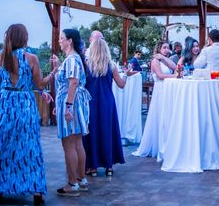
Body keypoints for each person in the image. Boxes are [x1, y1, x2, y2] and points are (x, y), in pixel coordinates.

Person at [0, 24, 56, 206]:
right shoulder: (31, 58)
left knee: (0, 145)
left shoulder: (2, 57)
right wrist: (54, 71)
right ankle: (36, 191)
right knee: (28, 147)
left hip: (5, 104)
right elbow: (40, 84)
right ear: (24, 38)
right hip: (25, 105)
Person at [55, 28, 91, 196]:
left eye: (62, 38)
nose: (59, 41)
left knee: (69, 143)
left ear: (69, 41)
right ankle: (81, 180)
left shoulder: (72, 59)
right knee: (77, 142)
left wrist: (67, 106)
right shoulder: (75, 59)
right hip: (76, 102)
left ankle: (72, 183)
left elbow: (73, 83)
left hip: (72, 103)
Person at [83, 38, 126, 178]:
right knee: (108, 132)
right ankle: (109, 166)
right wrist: (126, 75)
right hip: (107, 103)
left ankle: (93, 167)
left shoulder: (86, 65)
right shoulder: (111, 65)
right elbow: (121, 84)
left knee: (92, 132)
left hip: (91, 103)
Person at [133, 41, 176, 158]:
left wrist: (164, 57)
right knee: (161, 115)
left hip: (168, 90)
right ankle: (158, 145)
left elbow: (175, 67)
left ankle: (167, 144)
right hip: (160, 90)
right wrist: (175, 76)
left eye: (168, 48)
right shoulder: (155, 61)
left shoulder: (164, 60)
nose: (167, 50)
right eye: (164, 48)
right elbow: (160, 75)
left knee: (167, 116)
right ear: (159, 49)